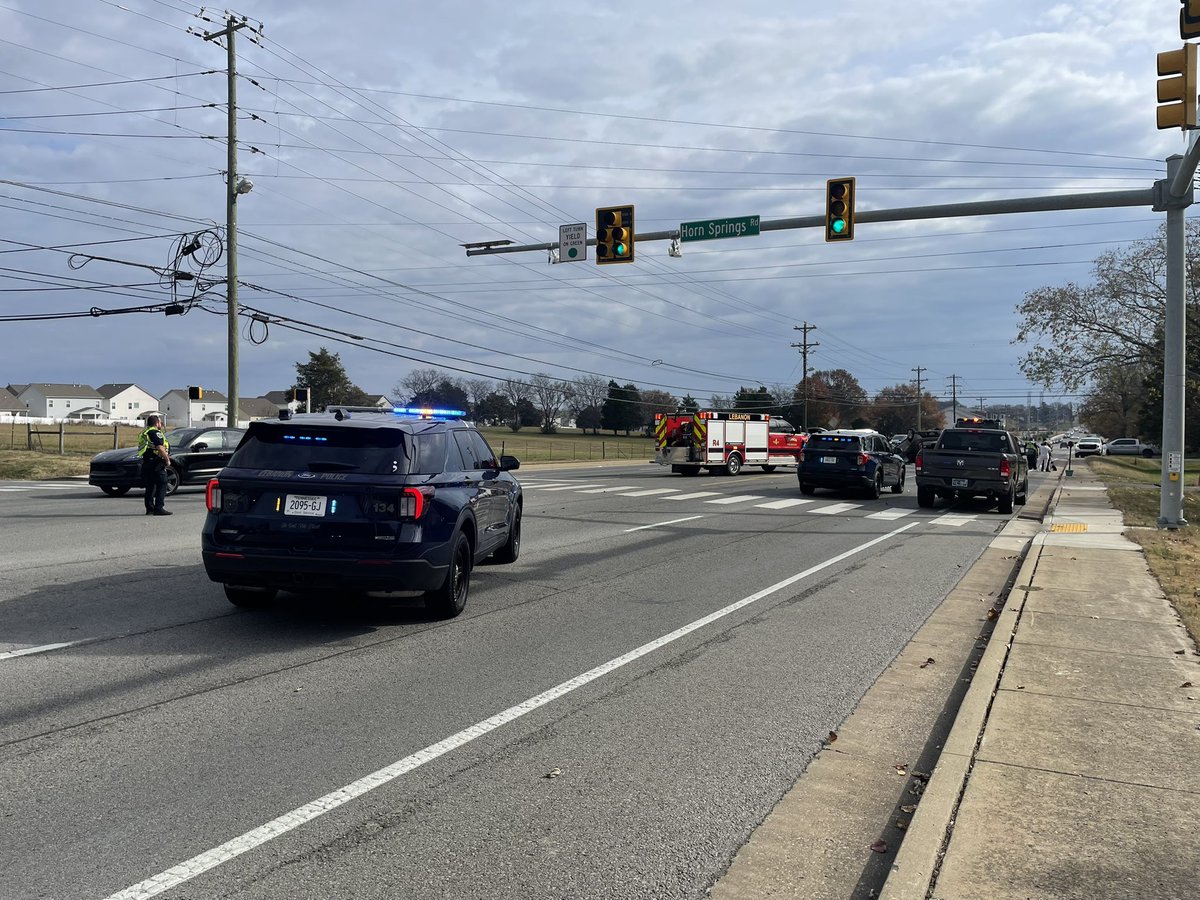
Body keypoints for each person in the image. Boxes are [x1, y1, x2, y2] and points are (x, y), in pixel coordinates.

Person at [138, 414, 172, 516]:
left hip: (147, 461)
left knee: (150, 485)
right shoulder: (155, 432)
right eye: (160, 422)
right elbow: (160, 447)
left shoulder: (144, 432)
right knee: (162, 483)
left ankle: (150, 508)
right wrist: (167, 459)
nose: (161, 424)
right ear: (156, 423)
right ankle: (159, 508)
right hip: (156, 462)